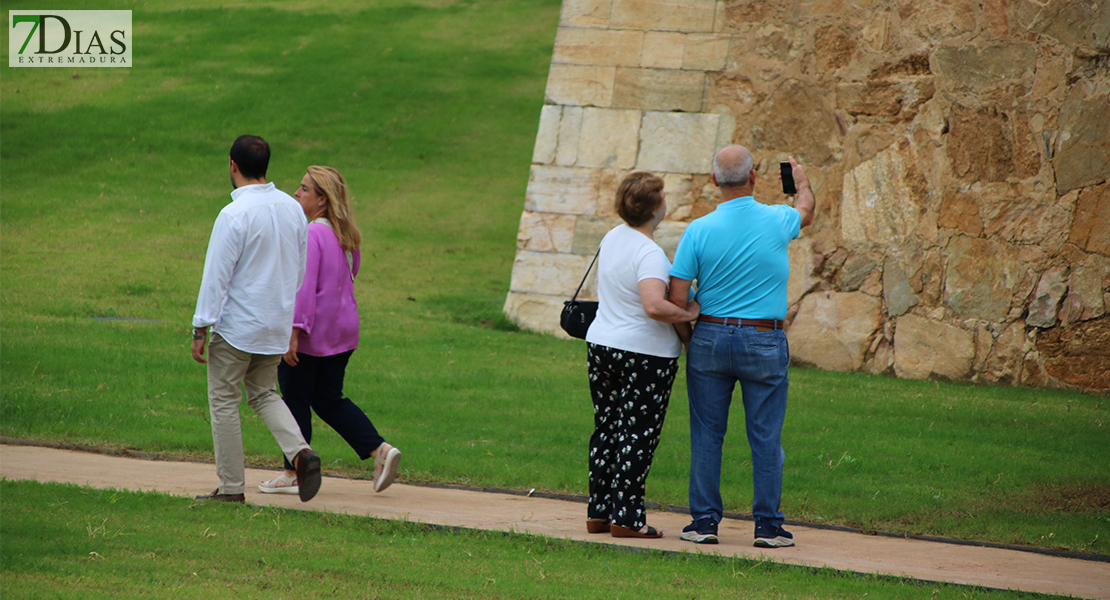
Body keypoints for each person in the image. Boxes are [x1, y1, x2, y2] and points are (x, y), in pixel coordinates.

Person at [668, 146, 815, 547]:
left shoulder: (697, 229)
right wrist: (799, 181)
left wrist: (690, 339)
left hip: (710, 336)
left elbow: (678, 298)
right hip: (764, 337)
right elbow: (806, 210)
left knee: (707, 434)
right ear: (754, 177)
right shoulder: (777, 219)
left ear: (714, 181)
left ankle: (703, 523)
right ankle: (768, 526)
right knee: (765, 436)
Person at [191, 135, 322, 504]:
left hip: (237, 327)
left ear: (232, 165)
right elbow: (298, 271)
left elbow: (216, 276)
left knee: (224, 400)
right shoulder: (292, 209)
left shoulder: (233, 214)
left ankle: (231, 487)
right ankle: (301, 452)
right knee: (264, 393)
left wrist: (201, 326)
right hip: (276, 322)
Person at [257, 166, 402, 496]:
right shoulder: (345, 235)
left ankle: (293, 473)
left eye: (305, 189)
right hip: (343, 332)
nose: (297, 193)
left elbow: (304, 288)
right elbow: (352, 273)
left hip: (313, 334)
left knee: (293, 398)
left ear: (322, 200)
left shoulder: (313, 234)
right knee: (327, 399)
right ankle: (379, 450)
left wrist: (293, 331)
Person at [583, 171, 701, 539]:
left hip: (602, 344)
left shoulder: (613, 236)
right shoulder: (649, 253)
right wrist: (688, 314)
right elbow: (654, 306)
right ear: (655, 208)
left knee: (607, 427)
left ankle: (599, 512)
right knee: (638, 433)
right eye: (663, 196)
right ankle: (628, 518)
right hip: (644, 354)